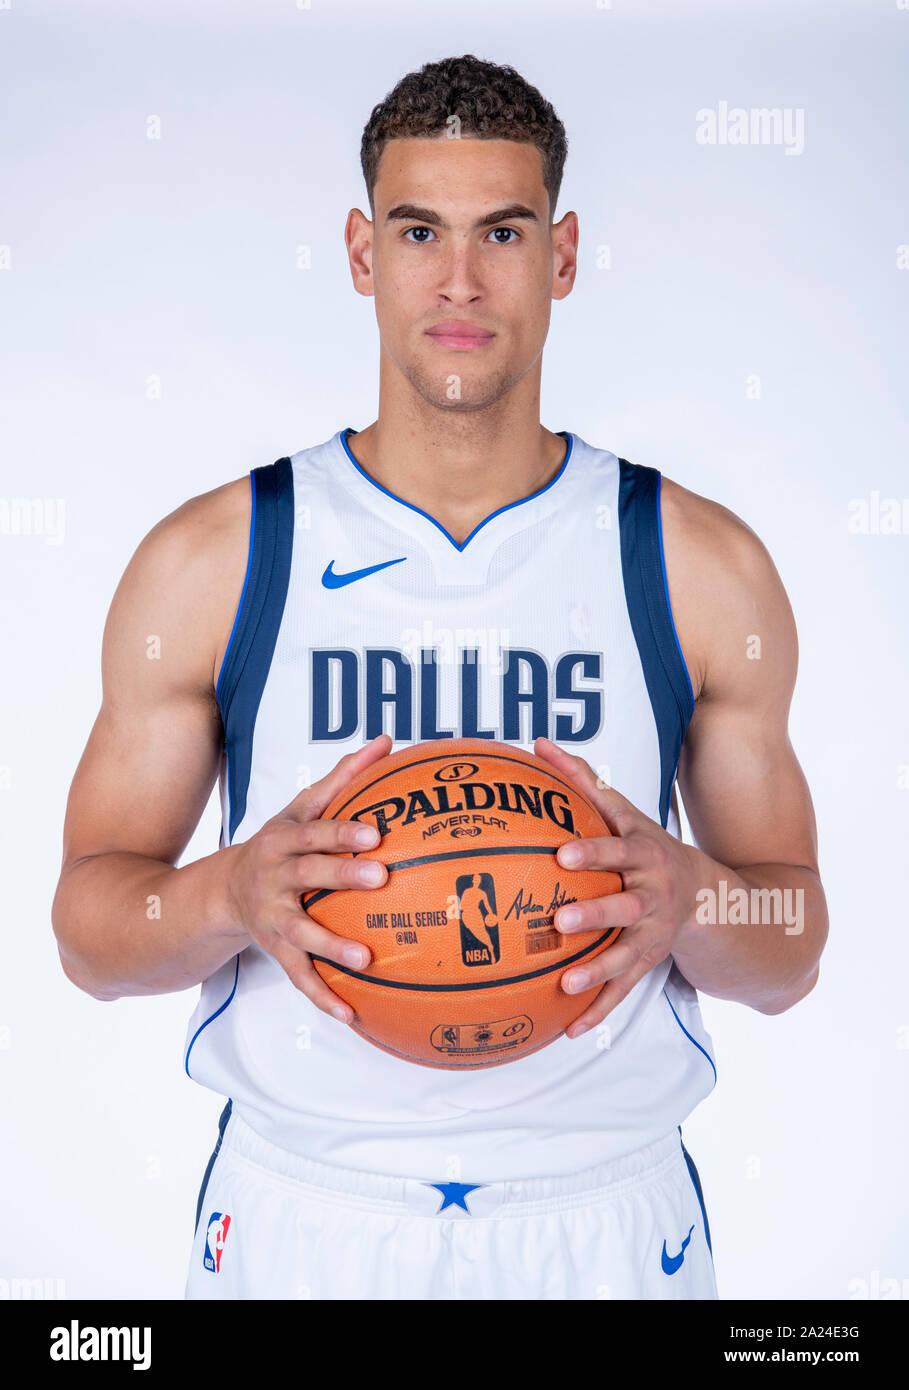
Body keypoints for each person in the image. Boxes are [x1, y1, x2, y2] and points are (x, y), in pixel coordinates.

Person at [52, 54, 828, 1300]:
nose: (459, 280)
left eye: (502, 233)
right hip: (307, 1210)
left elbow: (792, 941)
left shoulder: (695, 562)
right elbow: (89, 929)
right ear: (363, 252)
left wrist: (693, 897)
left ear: (563, 255)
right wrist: (227, 895)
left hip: (603, 1219)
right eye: (421, 231)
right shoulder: (218, 557)